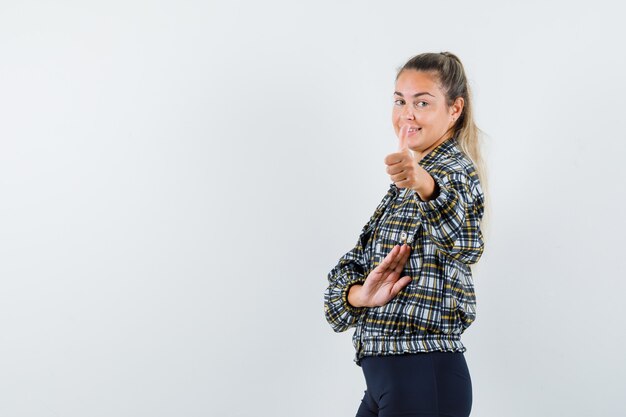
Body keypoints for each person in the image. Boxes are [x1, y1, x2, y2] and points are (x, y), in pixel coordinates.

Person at [323, 51, 488, 417]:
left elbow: (467, 243)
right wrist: (359, 296)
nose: (406, 114)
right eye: (400, 101)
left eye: (422, 102)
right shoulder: (402, 187)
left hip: (422, 375)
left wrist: (427, 186)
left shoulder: (450, 173)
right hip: (389, 380)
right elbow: (341, 284)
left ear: (455, 109)